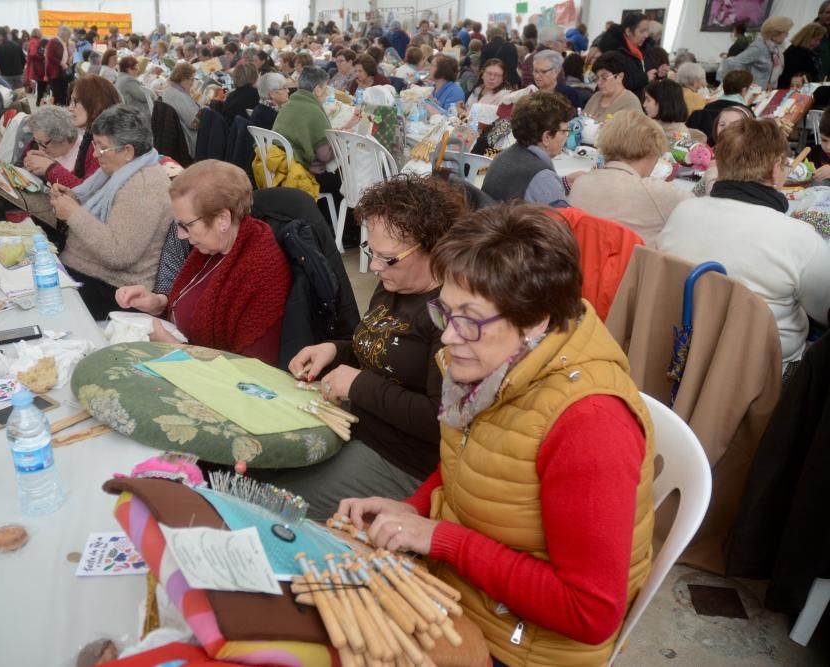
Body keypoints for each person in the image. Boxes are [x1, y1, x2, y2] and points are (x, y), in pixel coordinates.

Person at [338, 202, 656, 667]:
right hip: (464, 597)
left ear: (536, 321)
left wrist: (442, 539)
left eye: (469, 319)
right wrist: (410, 510)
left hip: (522, 644)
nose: (447, 338)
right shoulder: (492, 365)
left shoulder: (590, 425)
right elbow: (470, 465)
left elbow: (590, 612)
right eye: (444, 313)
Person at [250, 176, 464, 519]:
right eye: (370, 252)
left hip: (402, 459)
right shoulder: (394, 285)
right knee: (251, 464)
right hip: (355, 426)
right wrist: (336, 350)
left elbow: (441, 420)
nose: (375, 267)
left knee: (268, 504)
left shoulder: (451, 316)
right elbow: (386, 350)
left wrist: (358, 385)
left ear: (434, 248)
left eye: (388, 258)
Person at [659, 118, 830, 370]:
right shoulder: (799, 237)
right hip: (761, 374)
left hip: (683, 353)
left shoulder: (684, 211)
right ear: (775, 170)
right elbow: (825, 310)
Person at [115, 160, 290, 365]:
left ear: (222, 220)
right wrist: (158, 303)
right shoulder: (213, 247)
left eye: (186, 225)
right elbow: (190, 305)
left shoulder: (262, 271)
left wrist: (174, 348)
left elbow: (250, 377)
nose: (180, 235)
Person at [49, 105, 172, 321]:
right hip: (93, 278)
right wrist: (74, 199)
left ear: (128, 151)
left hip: (112, 291)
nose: (95, 154)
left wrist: (74, 213)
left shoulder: (143, 187)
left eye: (102, 148)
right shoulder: (123, 171)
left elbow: (119, 254)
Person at [569, 110, 691, 246]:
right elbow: (702, 208)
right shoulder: (656, 192)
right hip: (631, 265)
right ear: (652, 152)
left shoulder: (581, 183)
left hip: (583, 263)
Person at [24, 75, 121, 188]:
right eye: (70, 102)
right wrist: (50, 163)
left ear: (95, 106)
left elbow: (84, 191)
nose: (70, 108)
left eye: (75, 102)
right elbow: (80, 181)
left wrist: (50, 168)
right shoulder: (90, 136)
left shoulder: (106, 143)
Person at [481, 92, 574, 205]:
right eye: (565, 131)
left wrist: (563, 183)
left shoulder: (504, 156)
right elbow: (565, 220)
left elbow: (528, 190)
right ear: (547, 137)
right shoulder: (542, 176)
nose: (566, 136)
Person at [272, 66, 337, 193]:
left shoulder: (288, 104)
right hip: (299, 173)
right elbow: (325, 156)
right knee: (340, 179)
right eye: (326, 88)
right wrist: (341, 141)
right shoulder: (314, 110)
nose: (327, 92)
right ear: (317, 90)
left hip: (277, 169)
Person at [717, 16, 793, 90]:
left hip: (763, 93)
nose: (787, 35)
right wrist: (746, 83)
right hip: (753, 94)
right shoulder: (759, 48)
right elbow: (734, 63)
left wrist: (768, 83)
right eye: (785, 32)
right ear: (775, 33)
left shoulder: (775, 50)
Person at [694, 103, 754, 195]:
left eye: (734, 125)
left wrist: (712, 169)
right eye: (722, 124)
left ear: (747, 130)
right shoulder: (709, 152)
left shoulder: (749, 160)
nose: (726, 129)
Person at [599, 12, 653, 97]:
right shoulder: (615, 53)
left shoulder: (645, 50)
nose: (646, 35)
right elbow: (615, 83)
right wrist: (645, 78)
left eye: (647, 31)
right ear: (628, 31)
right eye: (642, 31)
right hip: (622, 105)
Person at [583, 51, 644, 122]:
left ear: (620, 77)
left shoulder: (630, 103)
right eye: (597, 78)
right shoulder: (596, 97)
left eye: (604, 78)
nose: (599, 83)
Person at [160, 62, 201, 156]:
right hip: (188, 139)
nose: (192, 83)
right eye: (191, 79)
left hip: (179, 137)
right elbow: (194, 124)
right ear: (182, 78)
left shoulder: (171, 89)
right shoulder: (177, 95)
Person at [778, 22, 826, 89]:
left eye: (819, 40)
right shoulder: (794, 52)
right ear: (808, 37)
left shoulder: (809, 52)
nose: (818, 43)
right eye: (816, 40)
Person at [45, 26, 71, 105]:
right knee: (57, 93)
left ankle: (62, 108)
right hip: (54, 72)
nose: (69, 37)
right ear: (63, 34)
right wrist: (61, 63)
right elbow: (49, 56)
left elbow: (66, 55)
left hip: (63, 72)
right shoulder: (53, 41)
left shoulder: (65, 43)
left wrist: (67, 63)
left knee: (63, 92)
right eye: (68, 35)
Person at [25, 29, 46, 99]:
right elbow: (33, 54)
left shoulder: (32, 41)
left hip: (33, 66)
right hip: (36, 66)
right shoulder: (35, 42)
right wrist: (42, 57)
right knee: (38, 84)